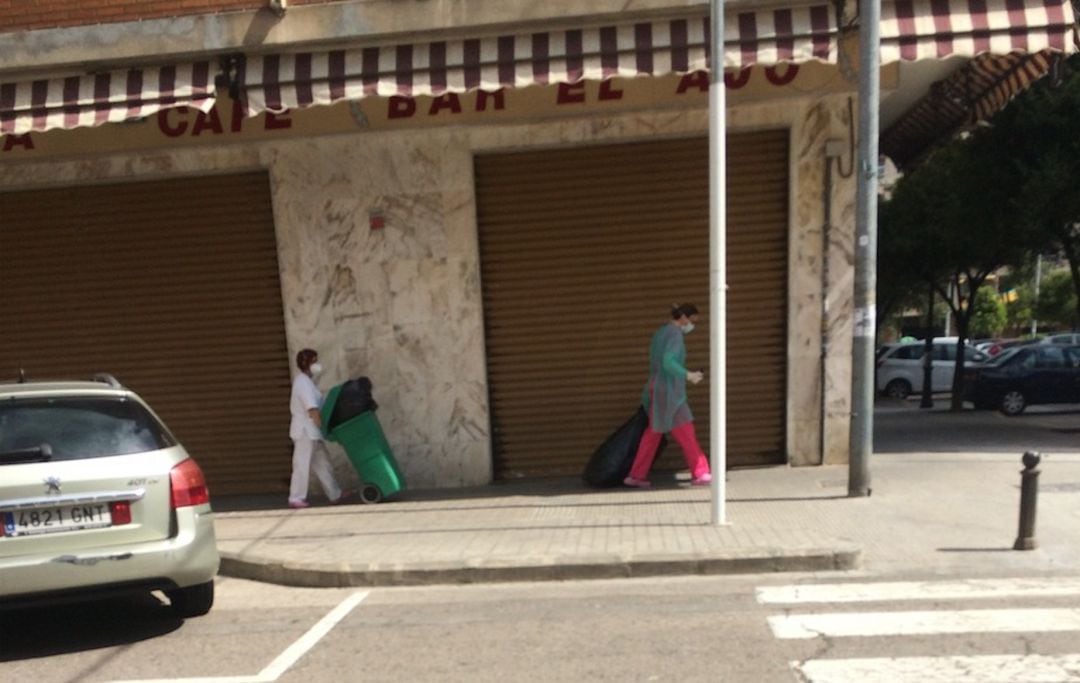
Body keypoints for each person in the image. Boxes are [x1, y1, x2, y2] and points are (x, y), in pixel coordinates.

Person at [624, 304, 712, 488]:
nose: (692, 326)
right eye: (693, 321)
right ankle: (701, 472)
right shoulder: (675, 334)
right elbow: (668, 361)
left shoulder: (660, 333)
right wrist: (688, 375)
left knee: (654, 433)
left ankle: (636, 475)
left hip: (657, 389)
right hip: (671, 392)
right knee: (686, 432)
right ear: (684, 318)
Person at [288, 348, 351, 508]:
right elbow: (312, 409)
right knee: (301, 464)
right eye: (314, 361)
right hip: (305, 432)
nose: (317, 364)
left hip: (313, 432)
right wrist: (323, 428)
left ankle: (334, 493)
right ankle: (295, 497)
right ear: (307, 364)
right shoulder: (302, 382)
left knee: (323, 464)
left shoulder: (308, 382)